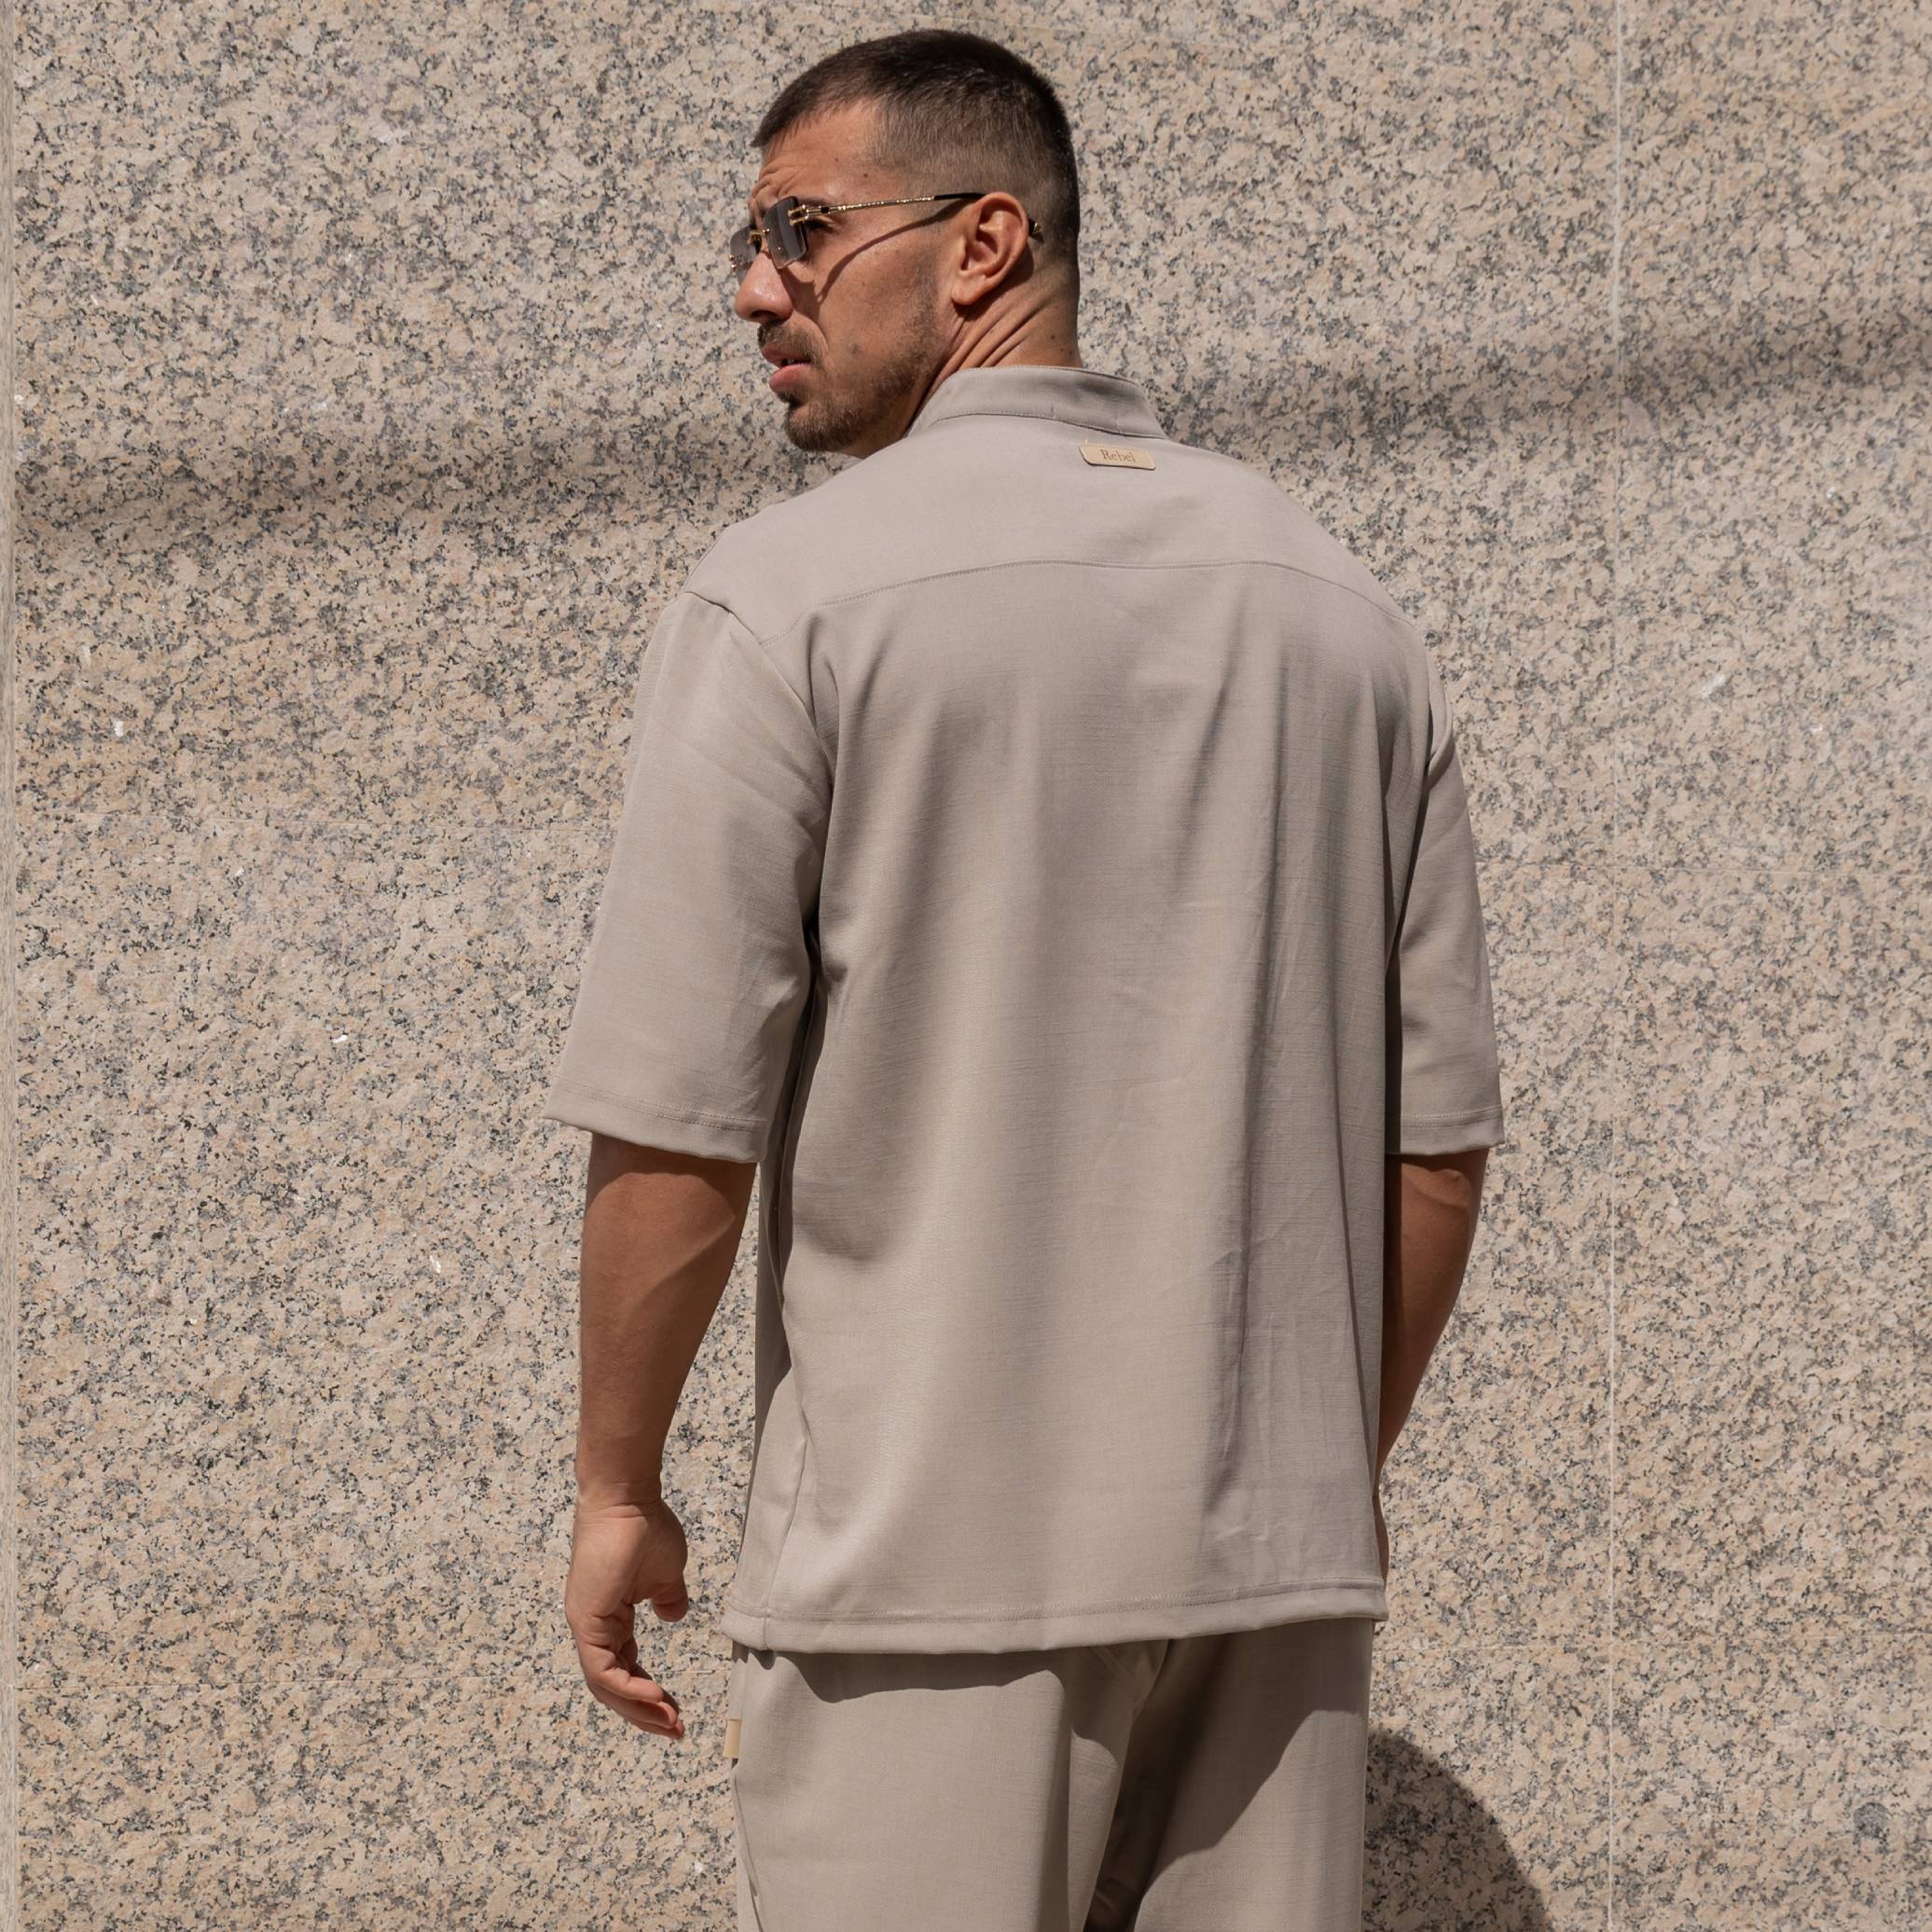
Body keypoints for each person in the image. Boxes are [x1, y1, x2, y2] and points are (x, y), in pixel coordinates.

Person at [539, 26, 1505, 1932]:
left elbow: (676, 1120)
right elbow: (1436, 1152)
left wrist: (616, 1486)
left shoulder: (793, 597)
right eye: (749, 242)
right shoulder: (1338, 611)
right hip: (1270, 1585)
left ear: (982, 244)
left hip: (926, 1576)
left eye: (800, 232)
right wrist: (1304, 1480)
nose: (755, 290)